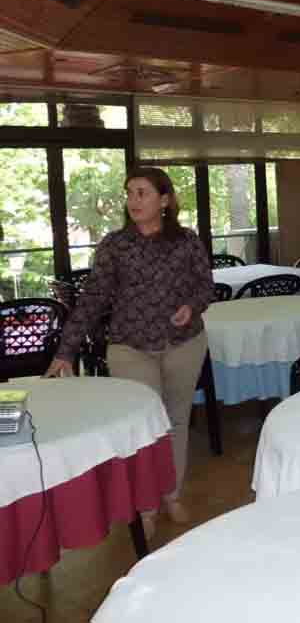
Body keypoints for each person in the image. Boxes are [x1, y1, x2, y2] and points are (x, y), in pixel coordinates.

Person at [45, 167, 214, 537]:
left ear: (164, 200)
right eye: (130, 193)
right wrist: (66, 350)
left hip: (184, 344)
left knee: (175, 421)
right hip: (130, 347)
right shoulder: (115, 245)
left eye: (142, 193)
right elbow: (93, 300)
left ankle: (172, 493)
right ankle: (146, 506)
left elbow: (205, 285)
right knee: (143, 428)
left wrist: (193, 305)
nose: (133, 200)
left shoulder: (186, 241)